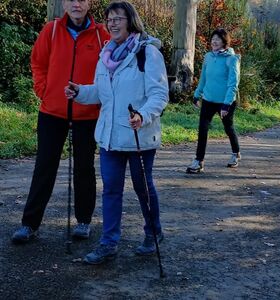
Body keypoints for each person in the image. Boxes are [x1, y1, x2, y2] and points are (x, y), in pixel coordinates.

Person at [65, 0, 168, 264]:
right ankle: (108, 243)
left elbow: (159, 94)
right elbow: (101, 93)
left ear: (130, 21)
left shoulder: (148, 53)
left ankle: (153, 233)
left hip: (138, 137)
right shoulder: (106, 55)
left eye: (117, 19)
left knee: (143, 188)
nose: (112, 24)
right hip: (110, 137)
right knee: (111, 190)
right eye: (109, 20)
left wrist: (142, 115)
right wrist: (80, 92)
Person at [12, 0, 109, 244]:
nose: (77, 4)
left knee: (84, 168)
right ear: (65, 3)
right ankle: (29, 224)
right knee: (44, 166)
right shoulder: (51, 30)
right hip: (52, 111)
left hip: (87, 113)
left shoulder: (101, 35)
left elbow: (110, 71)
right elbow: (38, 62)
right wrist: (44, 90)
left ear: (90, 4)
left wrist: (99, 101)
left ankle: (83, 221)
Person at [186, 28, 241, 173]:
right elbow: (203, 77)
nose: (214, 42)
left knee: (228, 128)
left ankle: (235, 153)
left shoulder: (232, 59)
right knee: (202, 129)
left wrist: (226, 104)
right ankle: (199, 161)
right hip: (208, 99)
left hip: (225, 101)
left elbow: (233, 84)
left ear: (224, 41)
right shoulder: (208, 57)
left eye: (217, 39)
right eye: (213, 39)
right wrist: (197, 94)